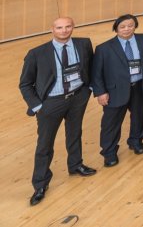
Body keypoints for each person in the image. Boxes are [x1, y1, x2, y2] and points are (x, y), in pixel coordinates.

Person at [18, 16, 96, 206]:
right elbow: (25, 84)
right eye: (59, 27)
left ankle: (75, 165)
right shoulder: (37, 53)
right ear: (52, 29)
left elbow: (91, 67)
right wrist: (38, 106)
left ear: (73, 27)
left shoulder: (84, 44)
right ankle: (40, 184)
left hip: (78, 97)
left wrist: (89, 88)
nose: (64, 30)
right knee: (45, 144)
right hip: (51, 103)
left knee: (75, 133)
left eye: (68, 26)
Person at [91, 14, 143, 167]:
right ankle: (109, 152)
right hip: (115, 91)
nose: (127, 29)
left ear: (135, 26)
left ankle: (136, 141)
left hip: (140, 86)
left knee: (139, 117)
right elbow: (96, 74)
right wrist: (100, 92)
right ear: (116, 28)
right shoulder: (104, 48)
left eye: (130, 25)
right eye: (122, 26)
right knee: (111, 123)